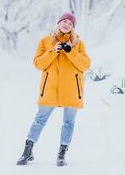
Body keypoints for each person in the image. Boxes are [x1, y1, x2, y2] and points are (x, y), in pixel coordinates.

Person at [16, 12, 91, 166]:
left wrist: (71, 52)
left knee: (69, 122)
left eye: (70, 24)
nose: (66, 25)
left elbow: (85, 65)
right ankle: (27, 151)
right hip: (50, 89)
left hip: (71, 90)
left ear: (73, 28)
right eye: (64, 21)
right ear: (58, 23)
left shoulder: (78, 43)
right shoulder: (45, 41)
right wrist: (53, 51)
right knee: (40, 120)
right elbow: (38, 64)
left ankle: (62, 154)